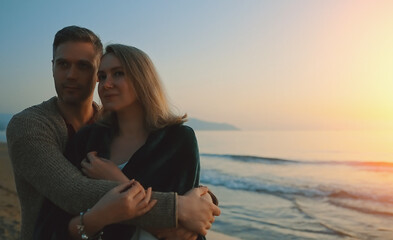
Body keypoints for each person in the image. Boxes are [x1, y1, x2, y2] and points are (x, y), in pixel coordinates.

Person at [6, 26, 220, 240]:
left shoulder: (173, 138)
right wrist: (177, 208)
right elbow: (73, 192)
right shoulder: (33, 126)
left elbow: (188, 204)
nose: (71, 75)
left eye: (83, 66)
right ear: (52, 68)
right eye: (63, 64)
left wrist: (205, 201)